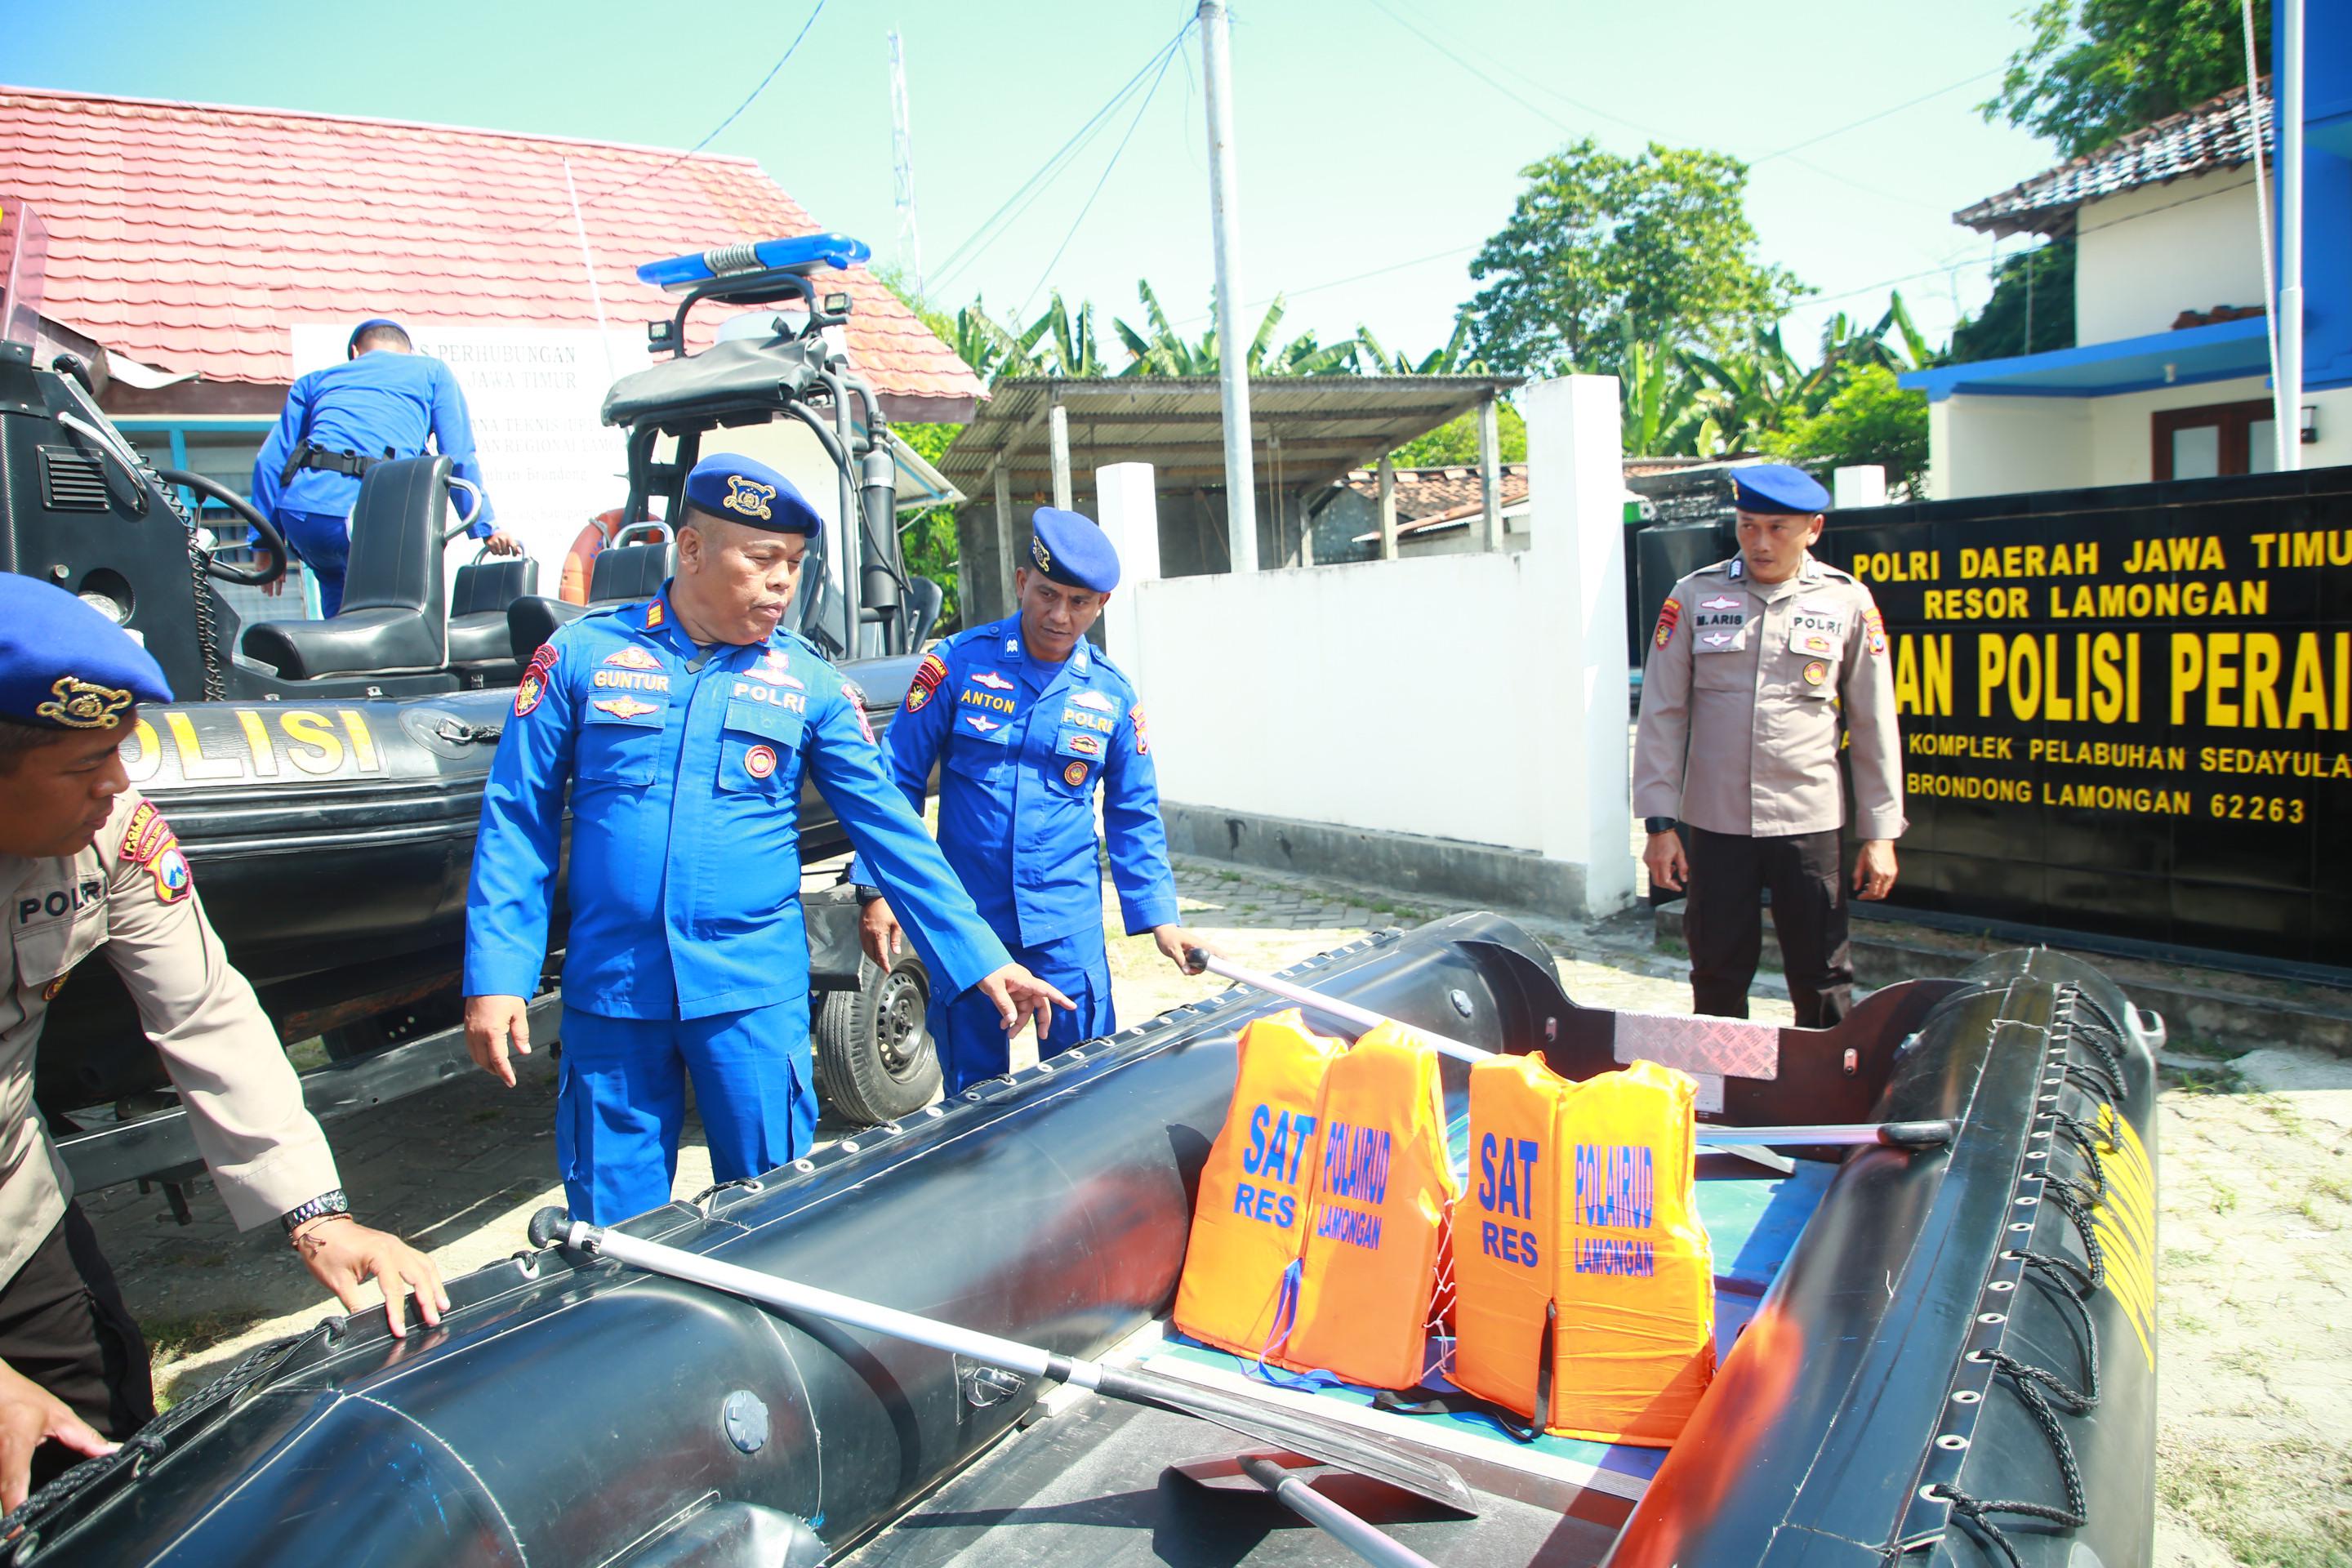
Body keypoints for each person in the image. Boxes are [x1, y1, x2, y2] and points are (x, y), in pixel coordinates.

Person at [461, 455, 1070, 1226]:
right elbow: (518, 817)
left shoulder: (808, 683)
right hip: (614, 994)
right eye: (761, 559)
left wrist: (983, 959)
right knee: (612, 1231)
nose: (783, 581)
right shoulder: (584, 658)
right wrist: (497, 972)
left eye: (795, 564)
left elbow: (892, 831)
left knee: (776, 1217)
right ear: (689, 551)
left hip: (751, 994)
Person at [0, 577, 445, 1508]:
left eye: (122, 752)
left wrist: (316, 1215)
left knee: (98, 1449)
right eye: (88, 763)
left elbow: (204, 1012)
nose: (118, 781)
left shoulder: (111, 833)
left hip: (13, 1207)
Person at [857, 507, 1205, 1094]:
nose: (1059, 615)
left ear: (1102, 605)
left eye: (1080, 601)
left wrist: (1163, 919)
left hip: (1065, 924)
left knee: (1082, 1090)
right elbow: (895, 780)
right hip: (967, 918)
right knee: (971, 1095)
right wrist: (877, 886)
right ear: (1022, 582)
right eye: (1047, 594)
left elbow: (1133, 814)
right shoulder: (957, 665)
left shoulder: (1112, 696)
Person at [1631, 464, 1904, 1027]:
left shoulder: (1845, 602)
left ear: (1814, 529)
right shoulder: (1695, 596)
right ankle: (1723, 1096)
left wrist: (1880, 835)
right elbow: (1661, 714)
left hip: (1808, 822)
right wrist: (1659, 827)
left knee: (1823, 976)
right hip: (1718, 824)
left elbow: (1874, 722)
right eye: (1748, 525)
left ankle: (1821, 1098)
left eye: (1778, 528)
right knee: (1717, 973)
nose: (1760, 542)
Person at [249, 318, 520, 617]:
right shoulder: (432, 372)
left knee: (338, 605)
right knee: (393, 615)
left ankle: (337, 660)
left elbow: (269, 461)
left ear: (355, 352)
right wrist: (486, 527)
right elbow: (457, 455)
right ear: (410, 352)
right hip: (372, 518)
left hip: (307, 517)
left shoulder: (314, 381)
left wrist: (265, 545)